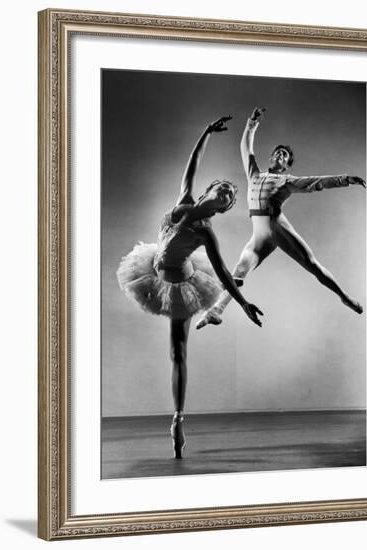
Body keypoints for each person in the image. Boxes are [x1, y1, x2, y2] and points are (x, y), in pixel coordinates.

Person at [117, 116, 263, 459]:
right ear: (209, 190)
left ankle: (178, 417)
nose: (227, 194)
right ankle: (177, 416)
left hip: (181, 285)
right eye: (224, 188)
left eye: (229, 198)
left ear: (223, 209)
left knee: (178, 353)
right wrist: (206, 133)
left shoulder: (204, 233)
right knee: (175, 352)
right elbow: (191, 166)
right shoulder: (182, 200)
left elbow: (225, 272)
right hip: (153, 272)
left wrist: (242, 304)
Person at [196, 107, 366, 330]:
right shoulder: (255, 174)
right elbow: (245, 148)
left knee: (312, 265)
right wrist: (252, 123)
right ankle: (216, 311)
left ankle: (343, 296)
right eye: (278, 152)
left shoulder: (286, 181)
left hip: (277, 227)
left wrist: (346, 179)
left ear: (286, 166)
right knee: (239, 270)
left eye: (284, 155)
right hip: (258, 234)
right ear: (271, 157)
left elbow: (317, 182)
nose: (280, 155)